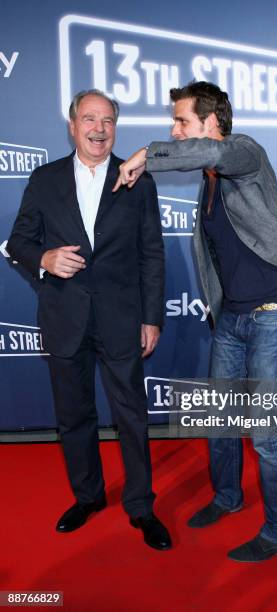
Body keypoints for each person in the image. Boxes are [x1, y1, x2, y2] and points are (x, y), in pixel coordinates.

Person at [113, 81, 277, 562]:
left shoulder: (245, 154)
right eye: (173, 122)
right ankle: (227, 497)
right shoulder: (209, 181)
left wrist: (143, 155)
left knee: (264, 432)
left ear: (211, 123)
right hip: (234, 320)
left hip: (272, 318)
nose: (174, 130)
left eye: (181, 121)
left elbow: (218, 154)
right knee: (220, 420)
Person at [7, 89, 171, 551]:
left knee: (132, 417)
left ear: (115, 127)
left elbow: (152, 254)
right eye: (89, 119)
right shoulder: (44, 180)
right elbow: (18, 241)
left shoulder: (137, 179)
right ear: (72, 125)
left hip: (123, 318)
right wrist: (45, 256)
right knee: (73, 416)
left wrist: (151, 317)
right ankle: (88, 497)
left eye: (107, 121)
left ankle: (141, 507)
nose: (98, 129)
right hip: (64, 316)